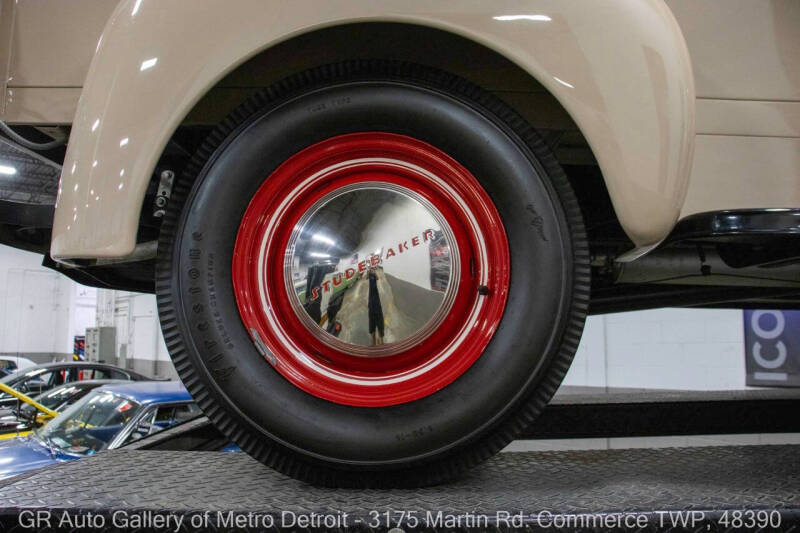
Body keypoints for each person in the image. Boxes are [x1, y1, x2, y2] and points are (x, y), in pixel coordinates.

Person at [367, 267, 385, 346]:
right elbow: (366, 278)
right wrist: (368, 272)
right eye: (371, 270)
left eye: (373, 270)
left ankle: (381, 342)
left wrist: (375, 273)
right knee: (372, 325)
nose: (372, 271)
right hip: (372, 305)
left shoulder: (374, 275)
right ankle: (373, 343)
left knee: (379, 323)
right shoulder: (369, 274)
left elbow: (377, 278)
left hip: (376, 303)